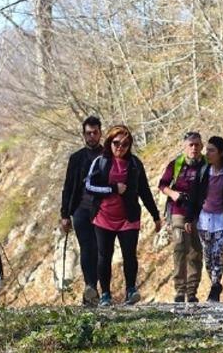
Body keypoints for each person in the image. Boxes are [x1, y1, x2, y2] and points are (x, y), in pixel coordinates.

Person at [84, 124, 162, 306]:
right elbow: (89, 186)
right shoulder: (100, 162)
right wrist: (113, 188)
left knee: (130, 255)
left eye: (125, 144)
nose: (120, 147)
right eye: (116, 142)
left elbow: (144, 190)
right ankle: (105, 294)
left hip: (128, 216)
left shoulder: (135, 164)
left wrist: (155, 215)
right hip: (104, 216)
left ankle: (131, 290)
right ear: (109, 142)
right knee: (104, 255)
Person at [188, 136, 223, 303]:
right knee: (207, 257)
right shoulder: (203, 171)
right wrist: (189, 217)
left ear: (221, 153)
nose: (208, 153)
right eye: (207, 150)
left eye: (211, 150)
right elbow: (194, 196)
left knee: (217, 253)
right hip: (204, 220)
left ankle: (215, 287)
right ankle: (215, 283)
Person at [60, 116, 104, 306]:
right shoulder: (76, 158)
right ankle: (90, 287)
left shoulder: (108, 156)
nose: (92, 136)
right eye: (88, 133)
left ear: (100, 133)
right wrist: (64, 214)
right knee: (87, 248)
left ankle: (104, 290)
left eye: (95, 133)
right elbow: (68, 186)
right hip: (81, 209)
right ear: (84, 134)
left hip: (103, 210)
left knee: (102, 250)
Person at [158, 131, 207, 303]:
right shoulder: (176, 164)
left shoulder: (206, 164)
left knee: (196, 251)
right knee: (180, 248)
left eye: (197, 144)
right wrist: (173, 194)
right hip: (179, 210)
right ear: (185, 146)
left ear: (202, 146)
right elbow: (162, 184)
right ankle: (179, 291)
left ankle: (192, 291)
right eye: (190, 145)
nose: (194, 148)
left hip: (200, 212)